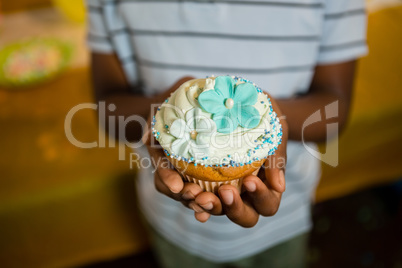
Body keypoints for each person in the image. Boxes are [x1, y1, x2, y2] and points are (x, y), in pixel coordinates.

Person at [86, 0, 367, 267]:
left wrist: (269, 118)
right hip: (171, 221)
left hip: (285, 214)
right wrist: (162, 111)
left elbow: (335, 107)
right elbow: (108, 108)